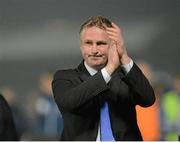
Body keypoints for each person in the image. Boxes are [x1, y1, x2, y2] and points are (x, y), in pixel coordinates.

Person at [52, 16, 155, 141]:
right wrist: (109, 69)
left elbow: (148, 99)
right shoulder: (64, 77)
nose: (94, 50)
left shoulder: (125, 78)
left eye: (101, 43)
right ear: (81, 47)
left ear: (113, 46)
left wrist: (124, 57)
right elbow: (68, 102)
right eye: (88, 43)